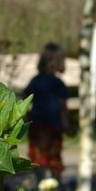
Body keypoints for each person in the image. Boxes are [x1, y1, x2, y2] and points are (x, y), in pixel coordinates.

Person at [24, 43, 69, 176]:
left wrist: (25, 121)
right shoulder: (58, 84)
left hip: (39, 126)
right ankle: (53, 186)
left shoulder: (35, 81)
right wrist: (67, 126)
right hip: (48, 126)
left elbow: (25, 102)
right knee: (51, 158)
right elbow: (63, 107)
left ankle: (42, 185)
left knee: (40, 158)